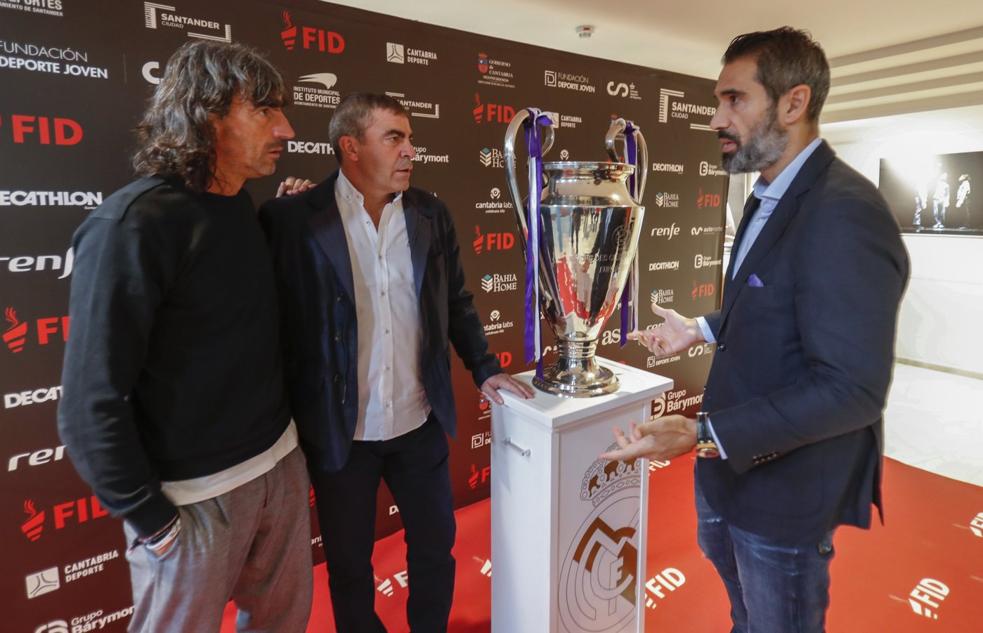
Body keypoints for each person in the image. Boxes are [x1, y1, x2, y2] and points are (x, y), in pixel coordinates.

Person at [603, 27, 909, 632]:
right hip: (728, 478)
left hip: (785, 496)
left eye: (734, 99)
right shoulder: (765, 193)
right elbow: (776, 302)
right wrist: (700, 328)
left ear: (793, 103)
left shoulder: (845, 211)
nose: (717, 116)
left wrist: (702, 432)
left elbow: (852, 388)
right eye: (718, 100)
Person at [57, 41, 312, 633]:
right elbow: (88, 405)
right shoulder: (132, 225)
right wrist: (153, 521)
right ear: (208, 114)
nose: (287, 129)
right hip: (191, 502)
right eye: (266, 110)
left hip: (278, 465)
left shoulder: (239, 207)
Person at [259, 92, 533, 633]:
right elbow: (271, 321)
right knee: (349, 566)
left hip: (419, 426)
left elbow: (455, 302)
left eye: (410, 138)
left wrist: (484, 367)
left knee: (435, 551)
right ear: (351, 147)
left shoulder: (431, 214)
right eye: (394, 138)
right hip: (341, 435)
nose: (411, 150)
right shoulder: (294, 219)